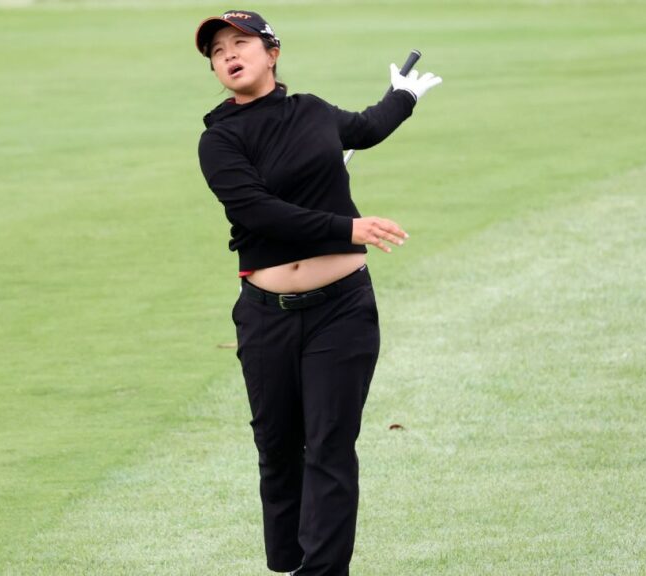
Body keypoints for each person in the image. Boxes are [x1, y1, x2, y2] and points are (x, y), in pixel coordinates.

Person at [195, 10, 442, 576]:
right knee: (279, 449)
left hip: (341, 311)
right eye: (217, 51)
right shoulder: (219, 140)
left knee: (329, 445)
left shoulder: (312, 111)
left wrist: (402, 97)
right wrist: (347, 228)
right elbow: (260, 212)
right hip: (267, 317)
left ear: (272, 53)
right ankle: (291, 564)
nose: (228, 55)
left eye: (240, 43)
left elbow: (365, 129)